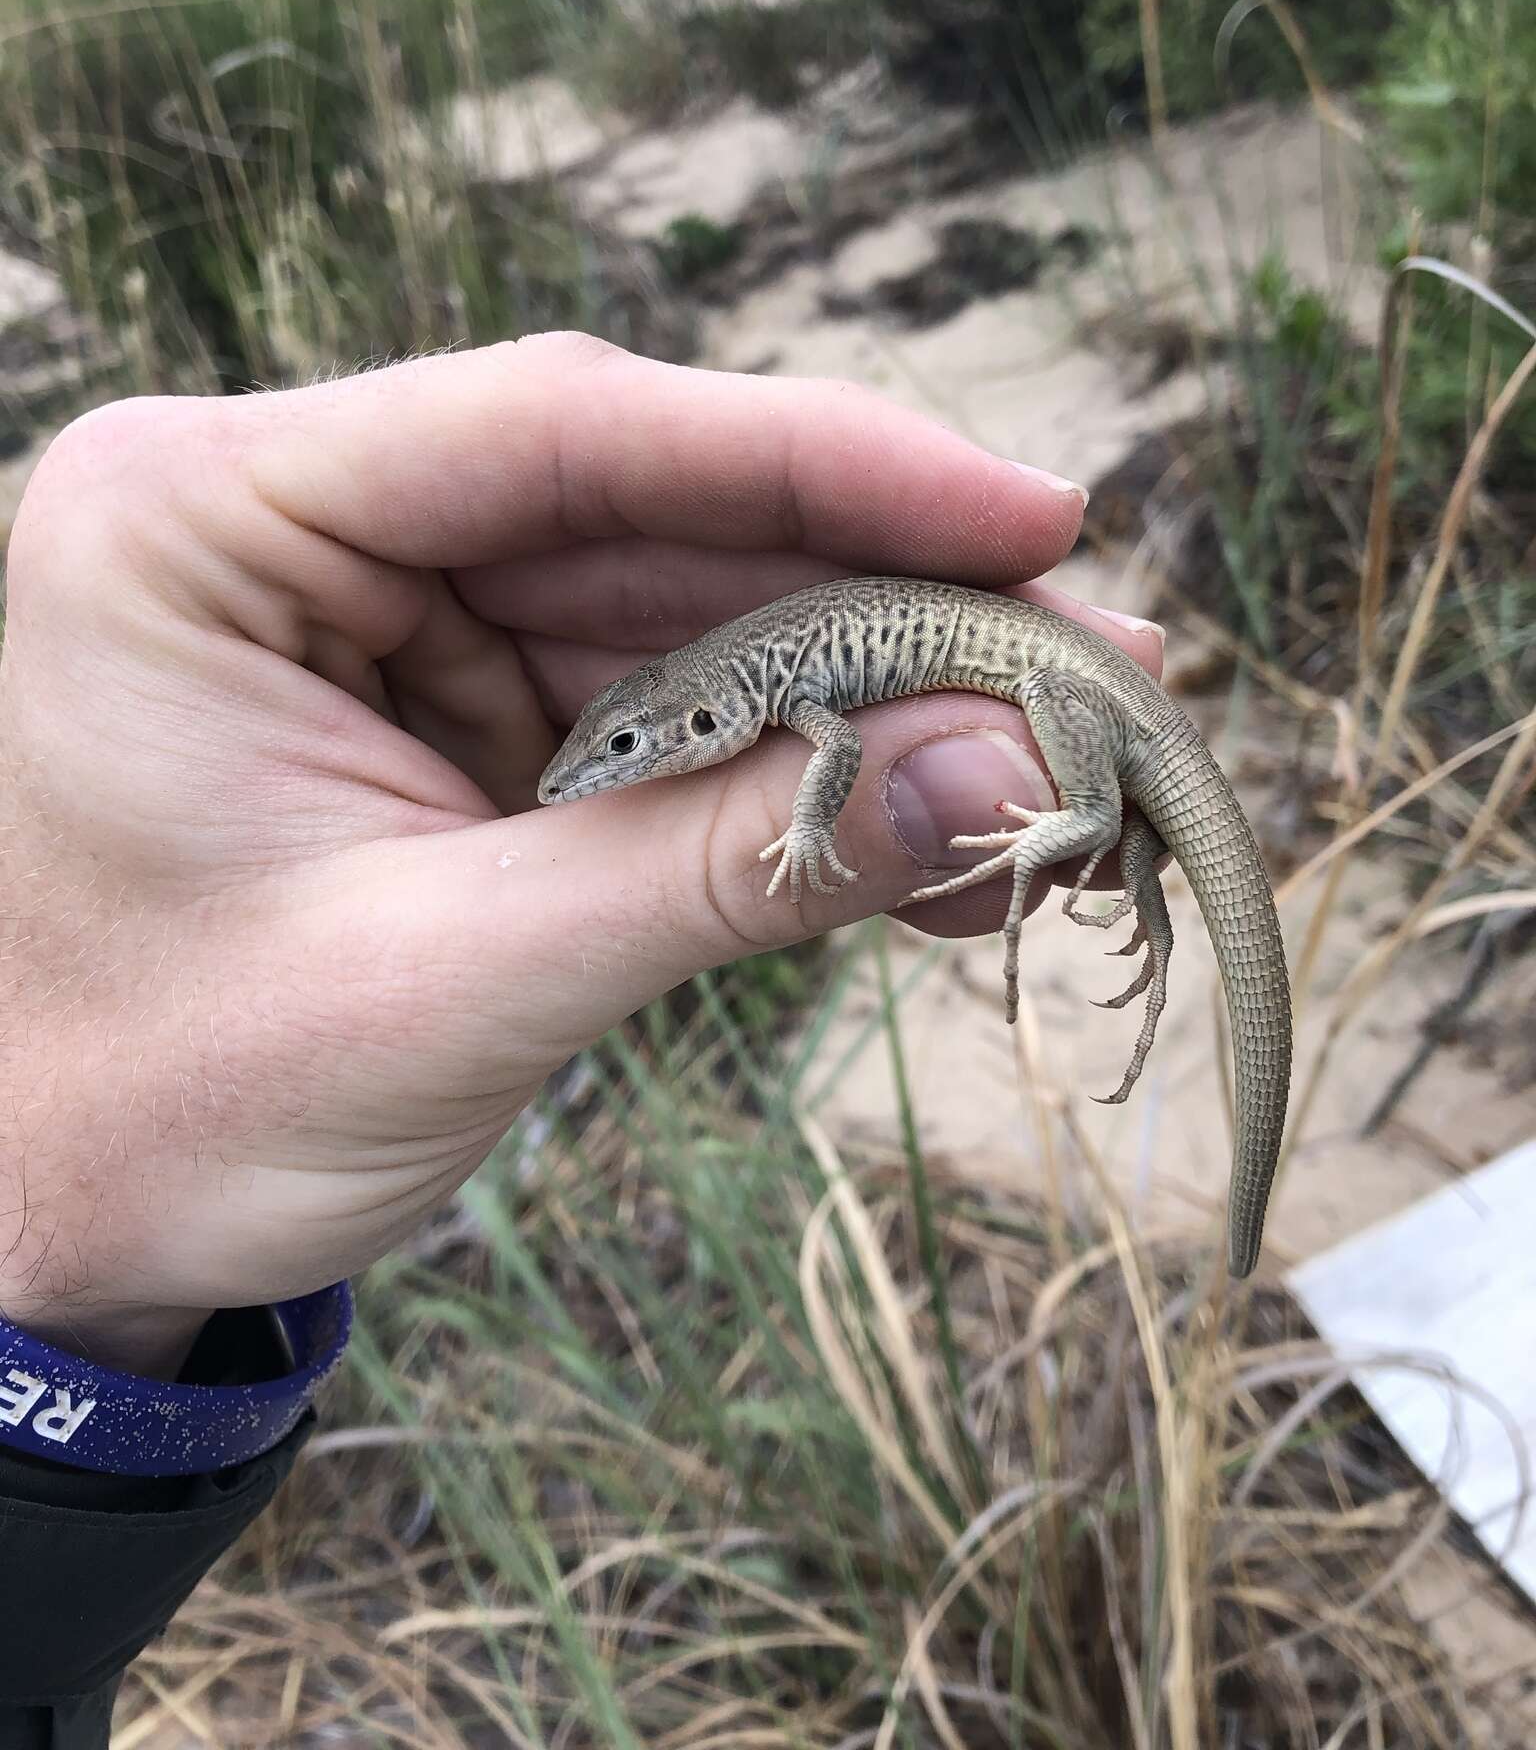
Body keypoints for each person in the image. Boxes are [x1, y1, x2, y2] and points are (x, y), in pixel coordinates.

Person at [0, 335, 1163, 1746]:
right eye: (616, 757)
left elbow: (845, 762)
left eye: (623, 756)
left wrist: (805, 834)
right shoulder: (736, 684)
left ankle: (1103, 824)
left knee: (1086, 782)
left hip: (1069, 685)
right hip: (1052, 675)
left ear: (692, 720)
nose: (595, 779)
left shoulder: (782, 698)